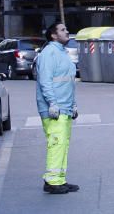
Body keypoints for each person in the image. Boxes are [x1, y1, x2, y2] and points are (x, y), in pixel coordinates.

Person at [35, 22, 79, 195]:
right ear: (53, 35)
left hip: (65, 108)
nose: (67, 32)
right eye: (63, 30)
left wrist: (73, 104)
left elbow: (68, 83)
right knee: (56, 143)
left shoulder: (62, 53)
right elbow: (45, 81)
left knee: (63, 145)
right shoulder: (48, 53)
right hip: (55, 109)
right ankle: (52, 181)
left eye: (66, 29)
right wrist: (52, 103)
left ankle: (59, 179)